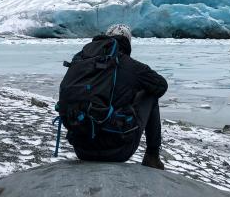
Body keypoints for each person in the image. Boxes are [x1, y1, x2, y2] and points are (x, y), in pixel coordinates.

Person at [66, 24, 168, 169]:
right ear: (128, 42)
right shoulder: (132, 66)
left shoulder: (83, 62)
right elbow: (161, 86)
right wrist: (134, 93)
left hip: (81, 148)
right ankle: (152, 156)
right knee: (150, 94)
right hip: (118, 150)